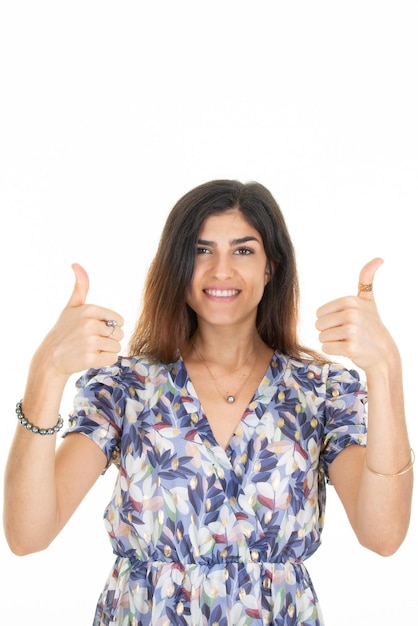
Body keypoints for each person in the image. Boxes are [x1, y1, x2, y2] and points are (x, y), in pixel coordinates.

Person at [3, 179, 413, 625]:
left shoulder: (320, 392)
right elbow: (28, 535)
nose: (221, 270)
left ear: (270, 267)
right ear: (177, 267)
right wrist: (46, 373)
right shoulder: (126, 387)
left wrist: (386, 368)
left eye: (243, 250)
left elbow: (383, 534)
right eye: (201, 250)